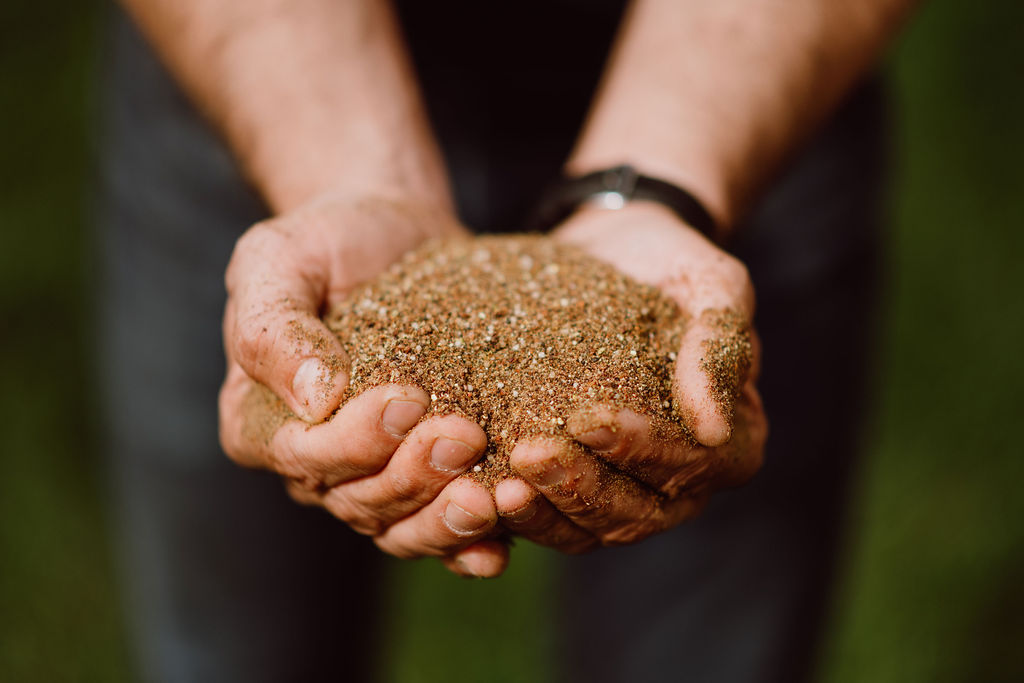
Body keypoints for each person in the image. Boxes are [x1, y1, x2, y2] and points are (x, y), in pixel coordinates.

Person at [98, 0, 913, 680]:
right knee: (234, 637)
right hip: (261, 60)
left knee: (707, 635)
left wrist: (665, 180)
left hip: (749, 76)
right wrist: (344, 171)